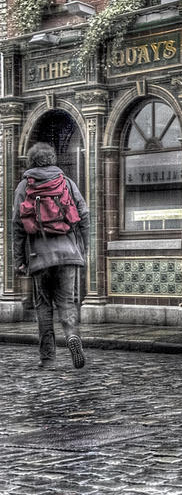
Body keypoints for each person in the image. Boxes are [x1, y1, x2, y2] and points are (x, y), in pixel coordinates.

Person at [12, 142, 90, 370]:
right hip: (68, 253)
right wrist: (83, 247)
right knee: (67, 302)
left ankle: (47, 358)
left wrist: (20, 261)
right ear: (52, 159)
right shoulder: (66, 182)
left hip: (39, 256)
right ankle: (72, 336)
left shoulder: (25, 186)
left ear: (32, 161)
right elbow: (83, 214)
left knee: (43, 306)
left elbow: (17, 225)